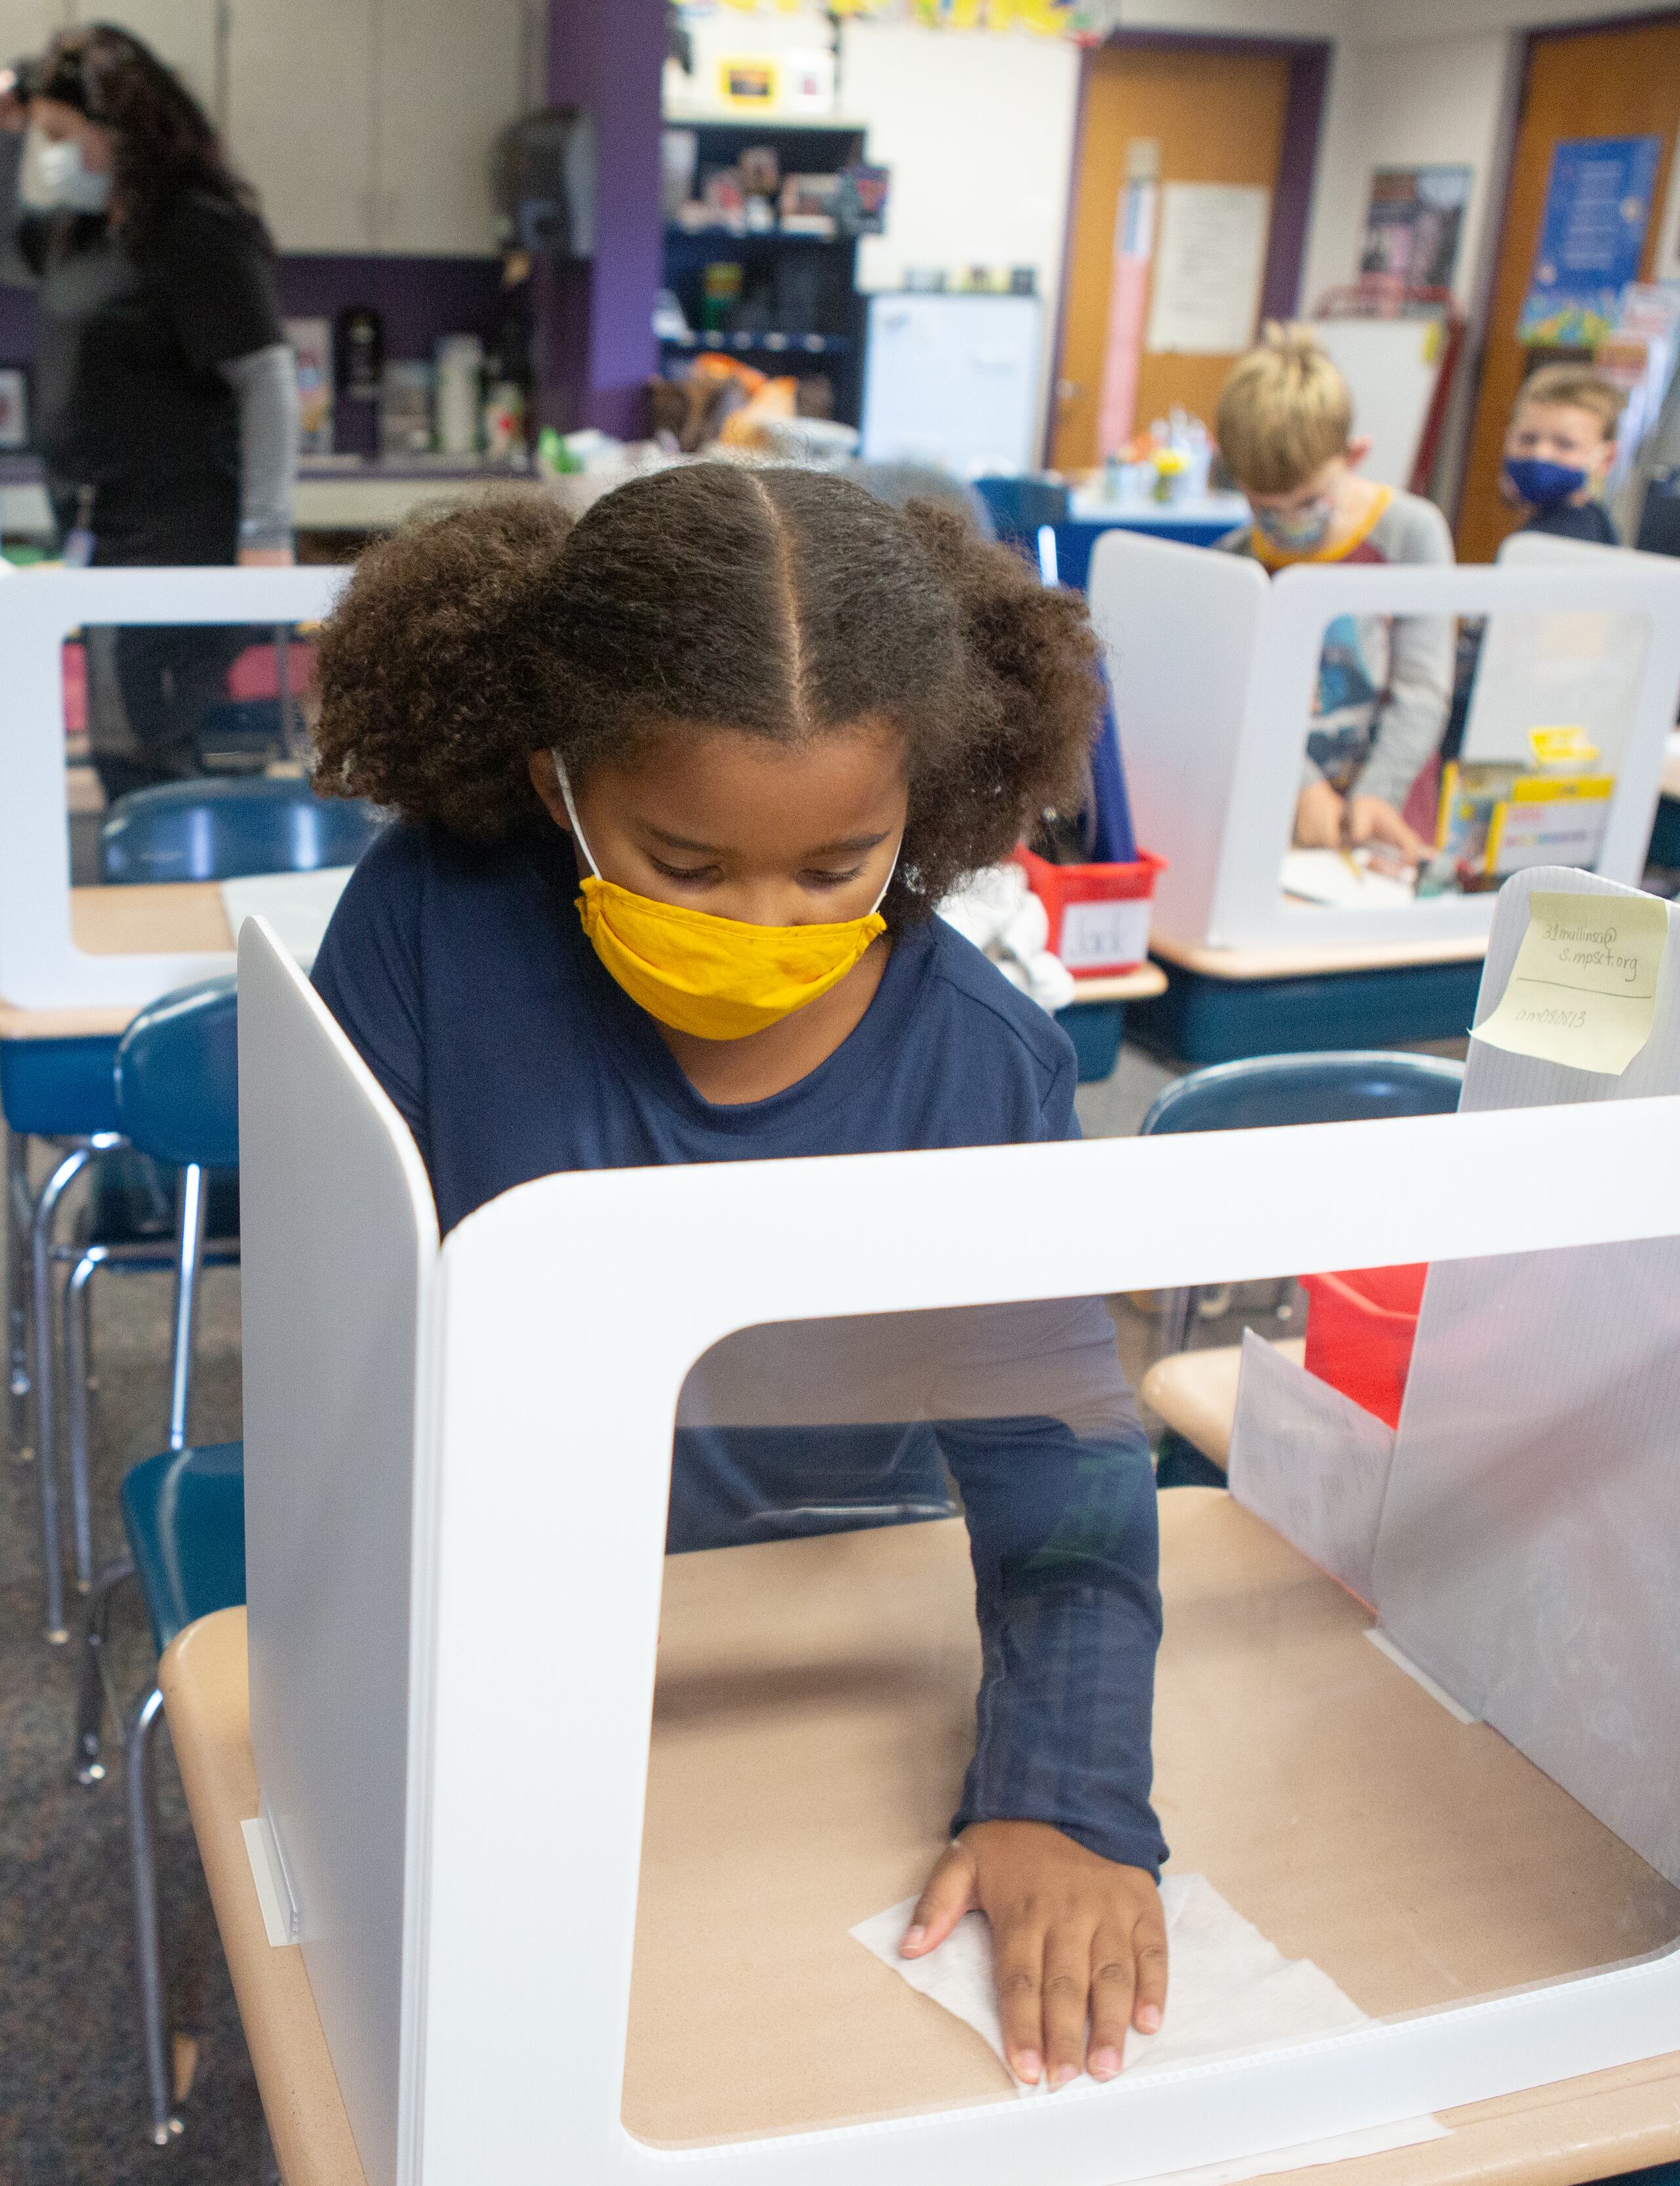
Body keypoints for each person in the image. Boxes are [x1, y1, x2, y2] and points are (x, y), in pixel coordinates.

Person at [306, 463, 1170, 2092]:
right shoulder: (432, 926)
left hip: (810, 1642)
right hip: (494, 1633)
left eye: (838, 864)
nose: (762, 921)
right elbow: (340, 1350)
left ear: (932, 803)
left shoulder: (977, 1068)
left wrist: (1062, 1793)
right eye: (684, 864)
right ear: (557, 780)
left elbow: (1060, 1464)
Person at [0, 23, 299, 801]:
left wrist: (265, 534)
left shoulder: (196, 228)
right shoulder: (78, 233)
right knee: (123, 743)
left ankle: (169, 883)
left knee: (145, 740)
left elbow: (266, 380)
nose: (52, 155)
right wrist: (1, 141)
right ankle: (146, 875)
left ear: (119, 129)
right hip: (100, 532)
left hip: (180, 534)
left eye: (61, 134)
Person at [1214, 324, 1456, 870]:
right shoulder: (1233, 559)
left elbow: (1422, 687)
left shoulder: (1410, 534)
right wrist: (1296, 783)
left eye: (1307, 502)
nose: (1288, 524)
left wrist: (1377, 794)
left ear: (1356, 454)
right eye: (1265, 508)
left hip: (1387, 815)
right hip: (1281, 819)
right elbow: (1238, 698)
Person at [1500, 363, 1626, 545]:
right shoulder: (1594, 522)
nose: (1540, 455)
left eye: (1565, 444)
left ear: (1606, 459)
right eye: (1528, 439)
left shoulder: (1560, 541)